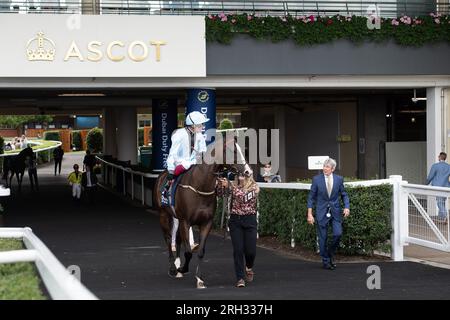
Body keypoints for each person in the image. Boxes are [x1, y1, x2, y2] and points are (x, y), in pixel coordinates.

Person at [163, 111, 210, 250]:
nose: (202, 126)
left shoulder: (200, 136)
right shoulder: (179, 135)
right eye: (200, 124)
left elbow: (203, 153)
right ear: (192, 125)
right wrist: (172, 171)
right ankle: (167, 192)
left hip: (193, 165)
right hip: (180, 164)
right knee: (179, 217)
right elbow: (172, 154)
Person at [217, 172, 259, 288]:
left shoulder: (254, 187)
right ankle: (240, 278)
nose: (241, 176)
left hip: (250, 220)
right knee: (238, 250)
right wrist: (221, 185)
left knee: (251, 251)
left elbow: (243, 198)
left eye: (244, 174)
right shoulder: (233, 186)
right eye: (239, 174)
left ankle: (249, 267)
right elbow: (220, 195)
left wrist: (229, 186)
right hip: (236, 221)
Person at [307, 158, 350, 270]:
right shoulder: (316, 179)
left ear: (333, 168)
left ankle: (329, 254)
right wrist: (310, 214)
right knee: (323, 238)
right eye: (324, 166)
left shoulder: (339, 179)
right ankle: (326, 261)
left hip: (335, 212)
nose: (324, 168)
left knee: (338, 234)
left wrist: (346, 207)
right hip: (321, 212)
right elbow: (311, 198)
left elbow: (344, 194)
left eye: (327, 167)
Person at [426, 152, 450, 224]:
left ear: (439, 157)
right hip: (446, 186)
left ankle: (445, 216)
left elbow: (430, 176)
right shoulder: (448, 166)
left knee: (439, 202)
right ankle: (441, 219)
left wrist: (426, 184)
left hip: (438, 186)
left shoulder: (435, 166)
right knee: (442, 202)